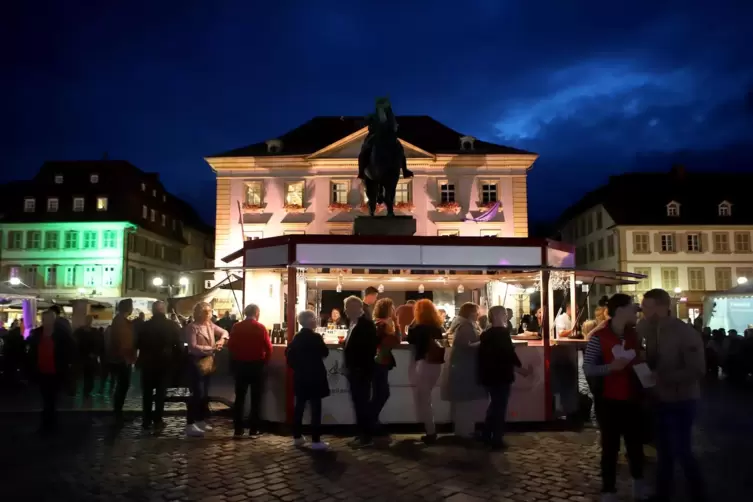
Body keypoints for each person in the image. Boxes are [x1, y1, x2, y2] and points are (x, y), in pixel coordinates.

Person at [640, 289, 706, 502]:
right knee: (665, 450)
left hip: (681, 399)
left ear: (662, 306)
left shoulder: (684, 332)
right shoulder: (646, 328)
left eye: (647, 306)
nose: (643, 310)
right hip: (659, 398)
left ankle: (697, 492)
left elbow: (697, 369)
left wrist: (663, 377)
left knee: (681, 449)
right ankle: (662, 493)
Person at [583, 294, 649, 502]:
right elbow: (588, 368)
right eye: (632, 308)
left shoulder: (633, 335)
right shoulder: (599, 337)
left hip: (632, 398)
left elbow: (638, 360)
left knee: (635, 445)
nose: (636, 312)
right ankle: (608, 490)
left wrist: (647, 374)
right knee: (610, 447)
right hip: (608, 400)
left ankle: (638, 484)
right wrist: (611, 368)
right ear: (620, 310)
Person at [478, 306, 531, 450]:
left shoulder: (486, 334)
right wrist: (521, 368)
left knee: (494, 405)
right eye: (504, 314)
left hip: (489, 375)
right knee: (499, 407)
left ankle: (487, 434)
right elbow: (508, 354)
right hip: (501, 374)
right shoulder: (502, 333)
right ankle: (496, 439)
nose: (506, 317)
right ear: (497, 316)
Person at [184, 302, 229, 437]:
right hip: (196, 362)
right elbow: (193, 346)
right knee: (197, 392)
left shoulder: (209, 325)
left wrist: (221, 340)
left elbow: (224, 332)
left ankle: (200, 419)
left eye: (209, 312)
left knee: (204, 393)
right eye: (207, 312)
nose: (209, 314)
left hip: (208, 361)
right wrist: (211, 349)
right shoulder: (192, 328)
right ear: (200, 313)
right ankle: (190, 423)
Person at [286, 310, 330, 450]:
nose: (316, 320)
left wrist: (298, 368)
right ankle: (316, 440)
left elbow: (289, 356)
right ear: (310, 320)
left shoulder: (296, 337)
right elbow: (325, 353)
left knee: (299, 407)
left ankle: (297, 437)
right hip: (315, 376)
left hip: (301, 377)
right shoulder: (316, 337)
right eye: (314, 318)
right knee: (316, 408)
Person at [227, 303, 272, 437]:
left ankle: (238, 429)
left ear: (245, 313)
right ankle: (253, 429)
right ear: (257, 314)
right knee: (255, 398)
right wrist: (265, 361)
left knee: (240, 397)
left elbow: (231, 346)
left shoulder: (236, 327)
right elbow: (268, 348)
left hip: (240, 365)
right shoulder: (260, 327)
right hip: (256, 365)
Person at [26, 309, 74, 433]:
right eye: (45, 319)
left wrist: (68, 366)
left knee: (51, 399)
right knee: (46, 399)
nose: (47, 322)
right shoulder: (37, 334)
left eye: (49, 319)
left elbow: (71, 350)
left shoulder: (61, 335)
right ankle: (48, 423)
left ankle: (49, 424)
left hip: (56, 372)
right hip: (41, 372)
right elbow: (31, 351)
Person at [136, 301, 182, 430]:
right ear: (164, 310)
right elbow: (178, 345)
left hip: (147, 363)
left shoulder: (144, 326)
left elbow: (138, 344)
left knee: (147, 393)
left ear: (152, 310)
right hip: (164, 363)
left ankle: (146, 419)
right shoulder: (171, 325)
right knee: (161, 393)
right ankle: (158, 419)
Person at [405, 299, 445, 444]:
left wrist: (413, 322)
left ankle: (431, 432)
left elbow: (409, 339)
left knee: (424, 400)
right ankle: (431, 430)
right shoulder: (437, 327)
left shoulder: (420, 328)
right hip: (436, 364)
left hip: (424, 364)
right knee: (427, 398)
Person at [445, 302, 486, 439]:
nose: (478, 314)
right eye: (476, 311)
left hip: (463, 365)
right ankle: (465, 431)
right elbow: (466, 345)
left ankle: (465, 429)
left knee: (464, 400)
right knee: (465, 400)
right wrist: (483, 342)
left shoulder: (463, 324)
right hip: (464, 366)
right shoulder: (466, 326)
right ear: (470, 313)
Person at [342, 295, 378, 448]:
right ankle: (361, 434)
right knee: (358, 403)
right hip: (355, 369)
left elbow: (367, 350)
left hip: (361, 370)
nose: (345, 311)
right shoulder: (354, 323)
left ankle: (366, 436)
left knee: (361, 403)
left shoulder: (366, 325)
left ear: (357, 308)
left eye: (348, 307)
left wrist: (355, 366)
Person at [372, 297, 399, 434]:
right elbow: (396, 341)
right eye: (392, 307)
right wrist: (396, 322)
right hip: (381, 361)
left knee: (378, 393)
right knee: (382, 393)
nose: (394, 310)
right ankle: (371, 421)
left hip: (376, 361)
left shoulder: (376, 323)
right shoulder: (383, 325)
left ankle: (372, 421)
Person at [106, 298, 136, 422]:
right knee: (122, 386)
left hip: (122, 358)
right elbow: (123, 342)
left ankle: (118, 412)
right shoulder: (120, 322)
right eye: (131, 306)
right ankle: (118, 413)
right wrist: (126, 357)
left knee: (122, 386)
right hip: (122, 359)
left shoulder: (120, 321)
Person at [73, 315, 100, 398]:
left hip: (88, 358)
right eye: (88, 320)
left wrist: (94, 353)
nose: (89, 321)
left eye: (90, 320)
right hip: (83, 357)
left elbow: (98, 344)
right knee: (82, 375)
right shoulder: (80, 331)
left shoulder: (93, 331)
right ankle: (82, 391)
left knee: (89, 375)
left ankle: (86, 391)